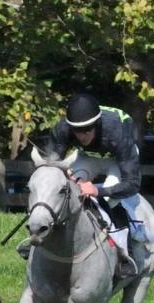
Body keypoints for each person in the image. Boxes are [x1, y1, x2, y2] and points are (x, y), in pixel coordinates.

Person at [44, 92, 147, 281]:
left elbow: (132, 184)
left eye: (87, 130)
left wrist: (98, 190)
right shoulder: (64, 128)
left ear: (97, 124)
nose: (82, 136)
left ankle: (126, 255)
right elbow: (49, 166)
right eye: (78, 131)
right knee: (63, 187)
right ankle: (43, 239)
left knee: (110, 198)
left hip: (119, 160)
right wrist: (60, 174)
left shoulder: (117, 131)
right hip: (90, 158)